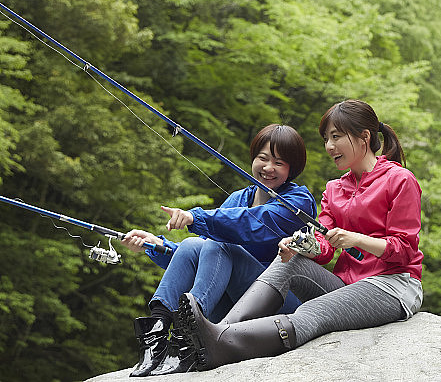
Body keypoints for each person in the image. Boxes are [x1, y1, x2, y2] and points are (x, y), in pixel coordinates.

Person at [174, 99, 424, 370]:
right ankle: (217, 333)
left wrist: (355, 239)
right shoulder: (334, 189)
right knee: (289, 263)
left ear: (364, 137)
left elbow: (405, 249)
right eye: (326, 139)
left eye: (336, 137)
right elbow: (323, 248)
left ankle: (222, 341)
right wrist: (300, 244)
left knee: (311, 311)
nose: (329, 147)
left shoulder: (400, 180)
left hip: (391, 285)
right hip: (346, 284)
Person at [120, 124, 316, 376]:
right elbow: (203, 256)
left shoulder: (298, 201)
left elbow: (251, 224)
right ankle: (156, 333)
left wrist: (196, 217)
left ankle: (189, 334)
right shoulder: (238, 198)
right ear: (253, 158)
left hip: (276, 301)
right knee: (194, 244)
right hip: (234, 307)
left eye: (279, 163)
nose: (268, 168)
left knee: (218, 241)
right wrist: (157, 246)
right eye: (263, 158)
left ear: (292, 168)